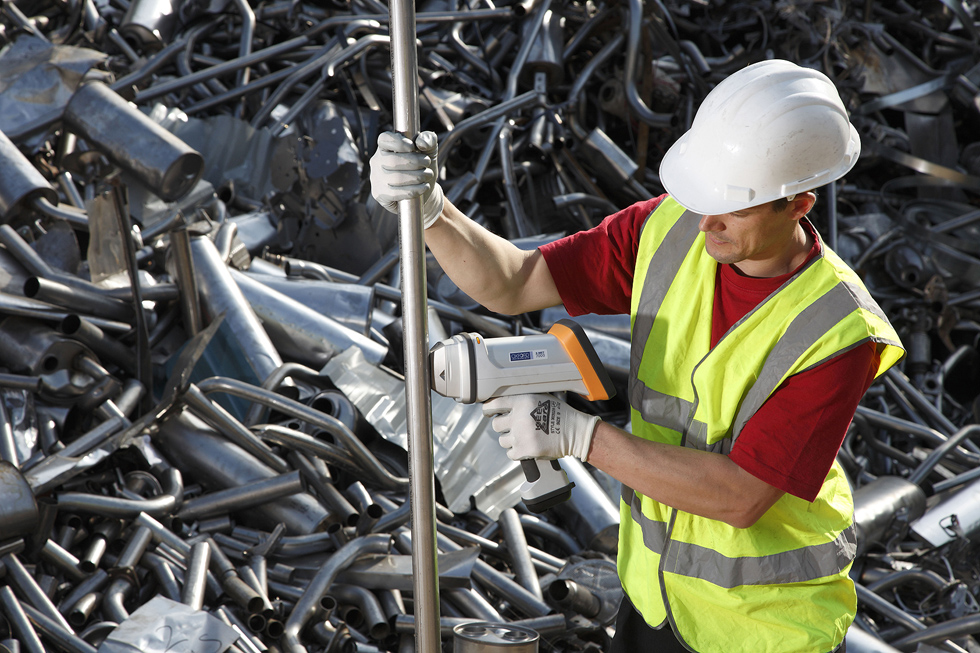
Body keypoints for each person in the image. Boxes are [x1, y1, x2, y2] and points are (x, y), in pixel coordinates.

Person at [370, 59, 905, 653]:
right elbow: (515, 283)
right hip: (654, 602)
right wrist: (433, 211)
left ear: (798, 204)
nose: (708, 220)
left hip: (764, 628)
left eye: (734, 205)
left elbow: (740, 497)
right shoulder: (669, 229)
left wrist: (579, 436)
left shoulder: (837, 330)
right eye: (705, 194)